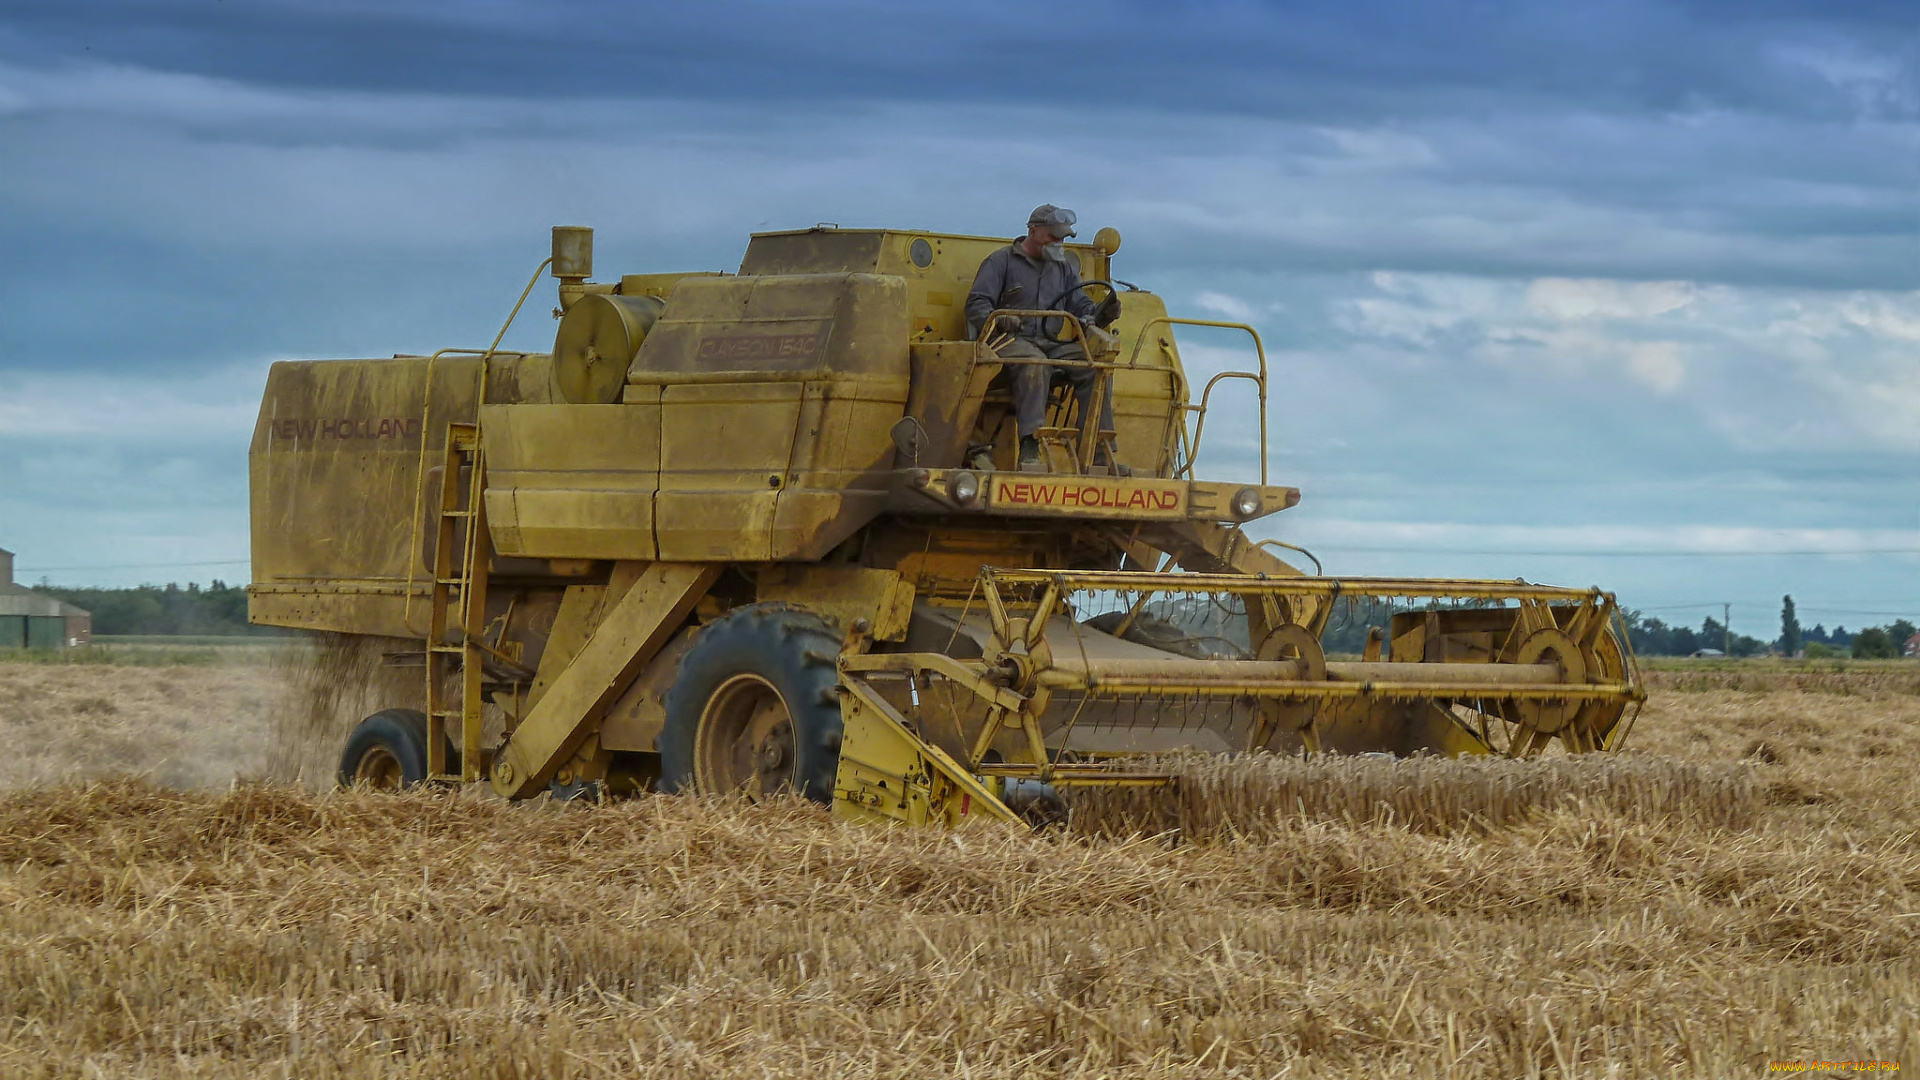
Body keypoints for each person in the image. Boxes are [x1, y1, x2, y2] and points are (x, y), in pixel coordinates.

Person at [966, 204, 1119, 471]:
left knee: (1095, 368)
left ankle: (1097, 452)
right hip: (1007, 342)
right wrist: (1001, 319)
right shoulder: (1000, 262)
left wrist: (1099, 313)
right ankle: (1030, 446)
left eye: (1061, 239)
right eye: (1052, 237)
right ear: (1033, 230)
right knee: (1035, 363)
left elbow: (1080, 304)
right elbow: (977, 304)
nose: (1057, 243)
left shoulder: (1062, 269)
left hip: (1051, 343)